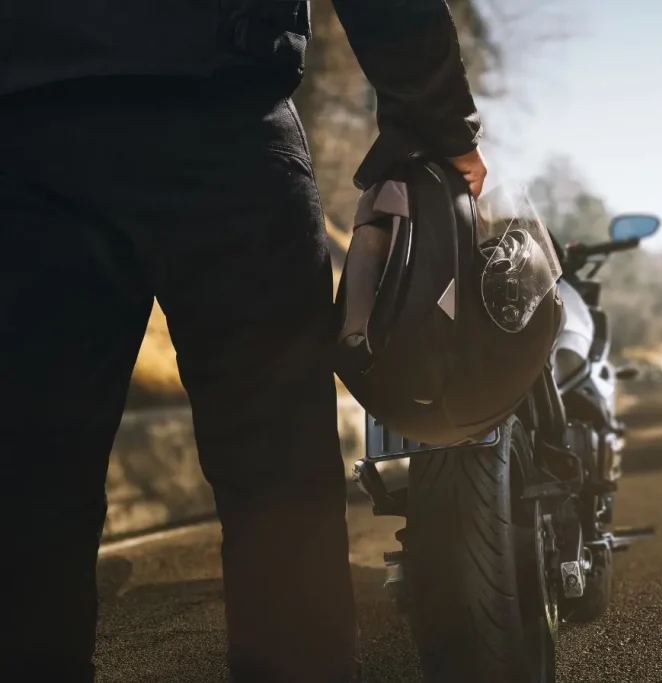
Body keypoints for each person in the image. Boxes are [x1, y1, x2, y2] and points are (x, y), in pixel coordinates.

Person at [0, 1, 487, 681]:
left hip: (29, 137)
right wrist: (438, 121)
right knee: (276, 481)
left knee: (29, 488)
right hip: (224, 118)